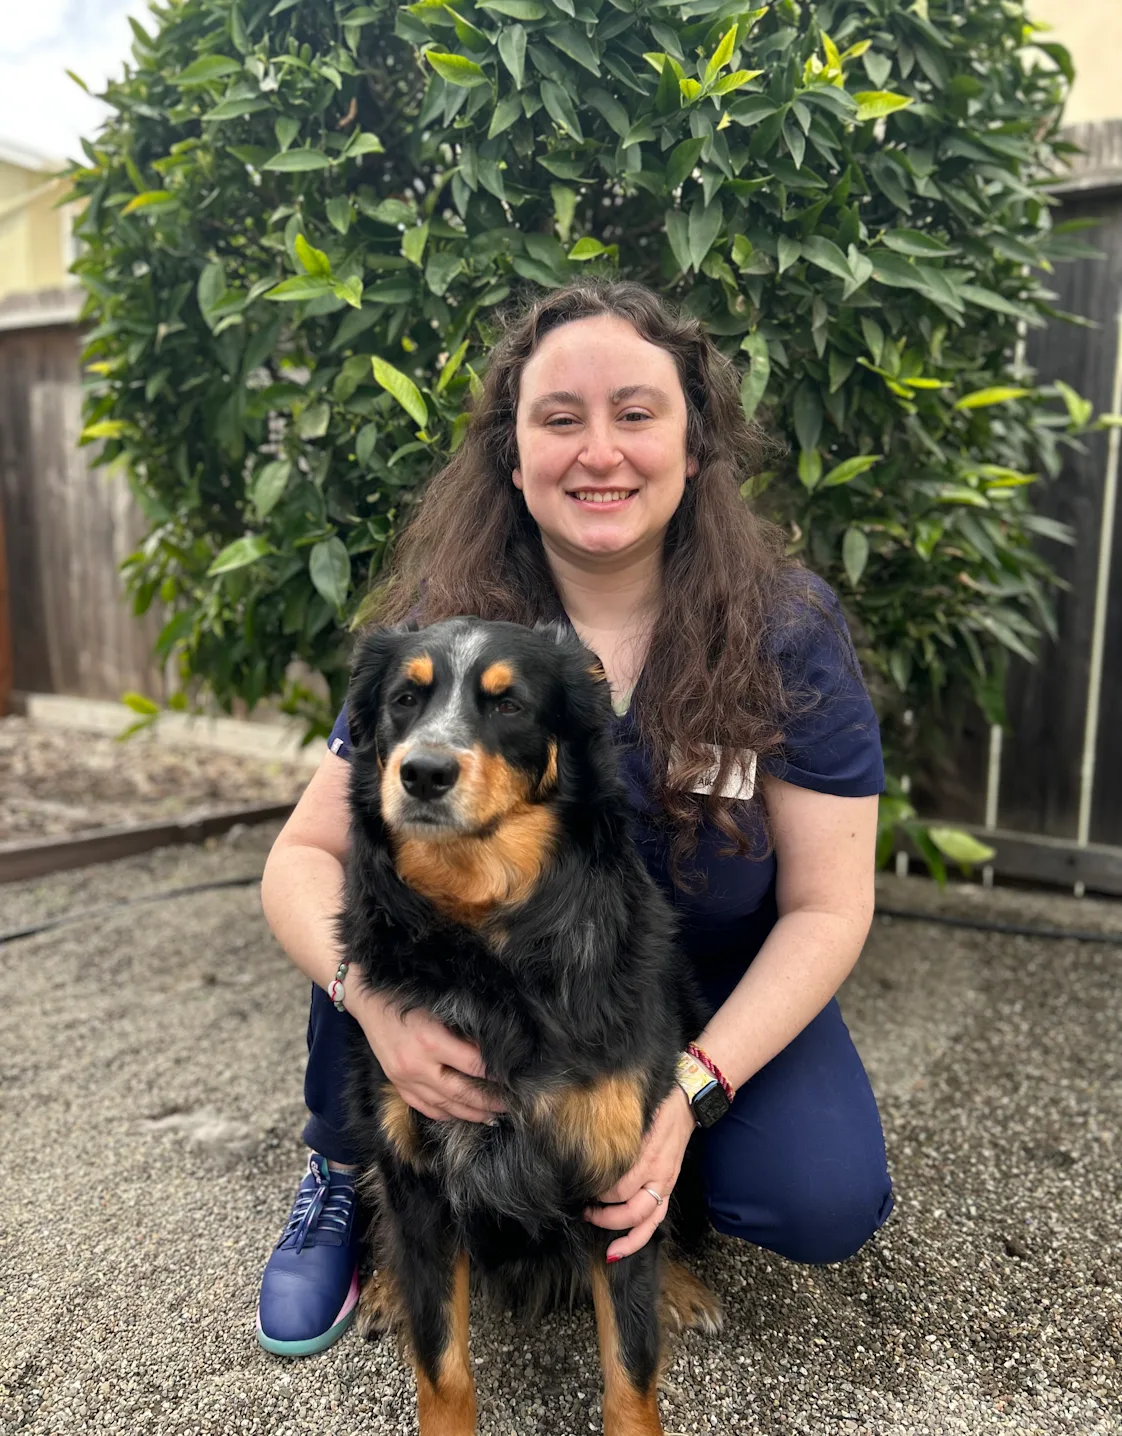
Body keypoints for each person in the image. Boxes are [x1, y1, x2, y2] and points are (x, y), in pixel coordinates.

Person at [255, 278, 892, 1357]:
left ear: (695, 444)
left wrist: (684, 1093)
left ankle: (637, 1190)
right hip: (473, 969)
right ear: (514, 456)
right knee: (390, 893)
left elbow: (830, 906)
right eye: (560, 418)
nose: (600, 451)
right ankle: (347, 1166)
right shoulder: (446, 628)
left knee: (818, 1193)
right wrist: (377, 1009)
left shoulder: (787, 630)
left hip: (701, 987)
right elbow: (304, 856)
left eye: (636, 412)